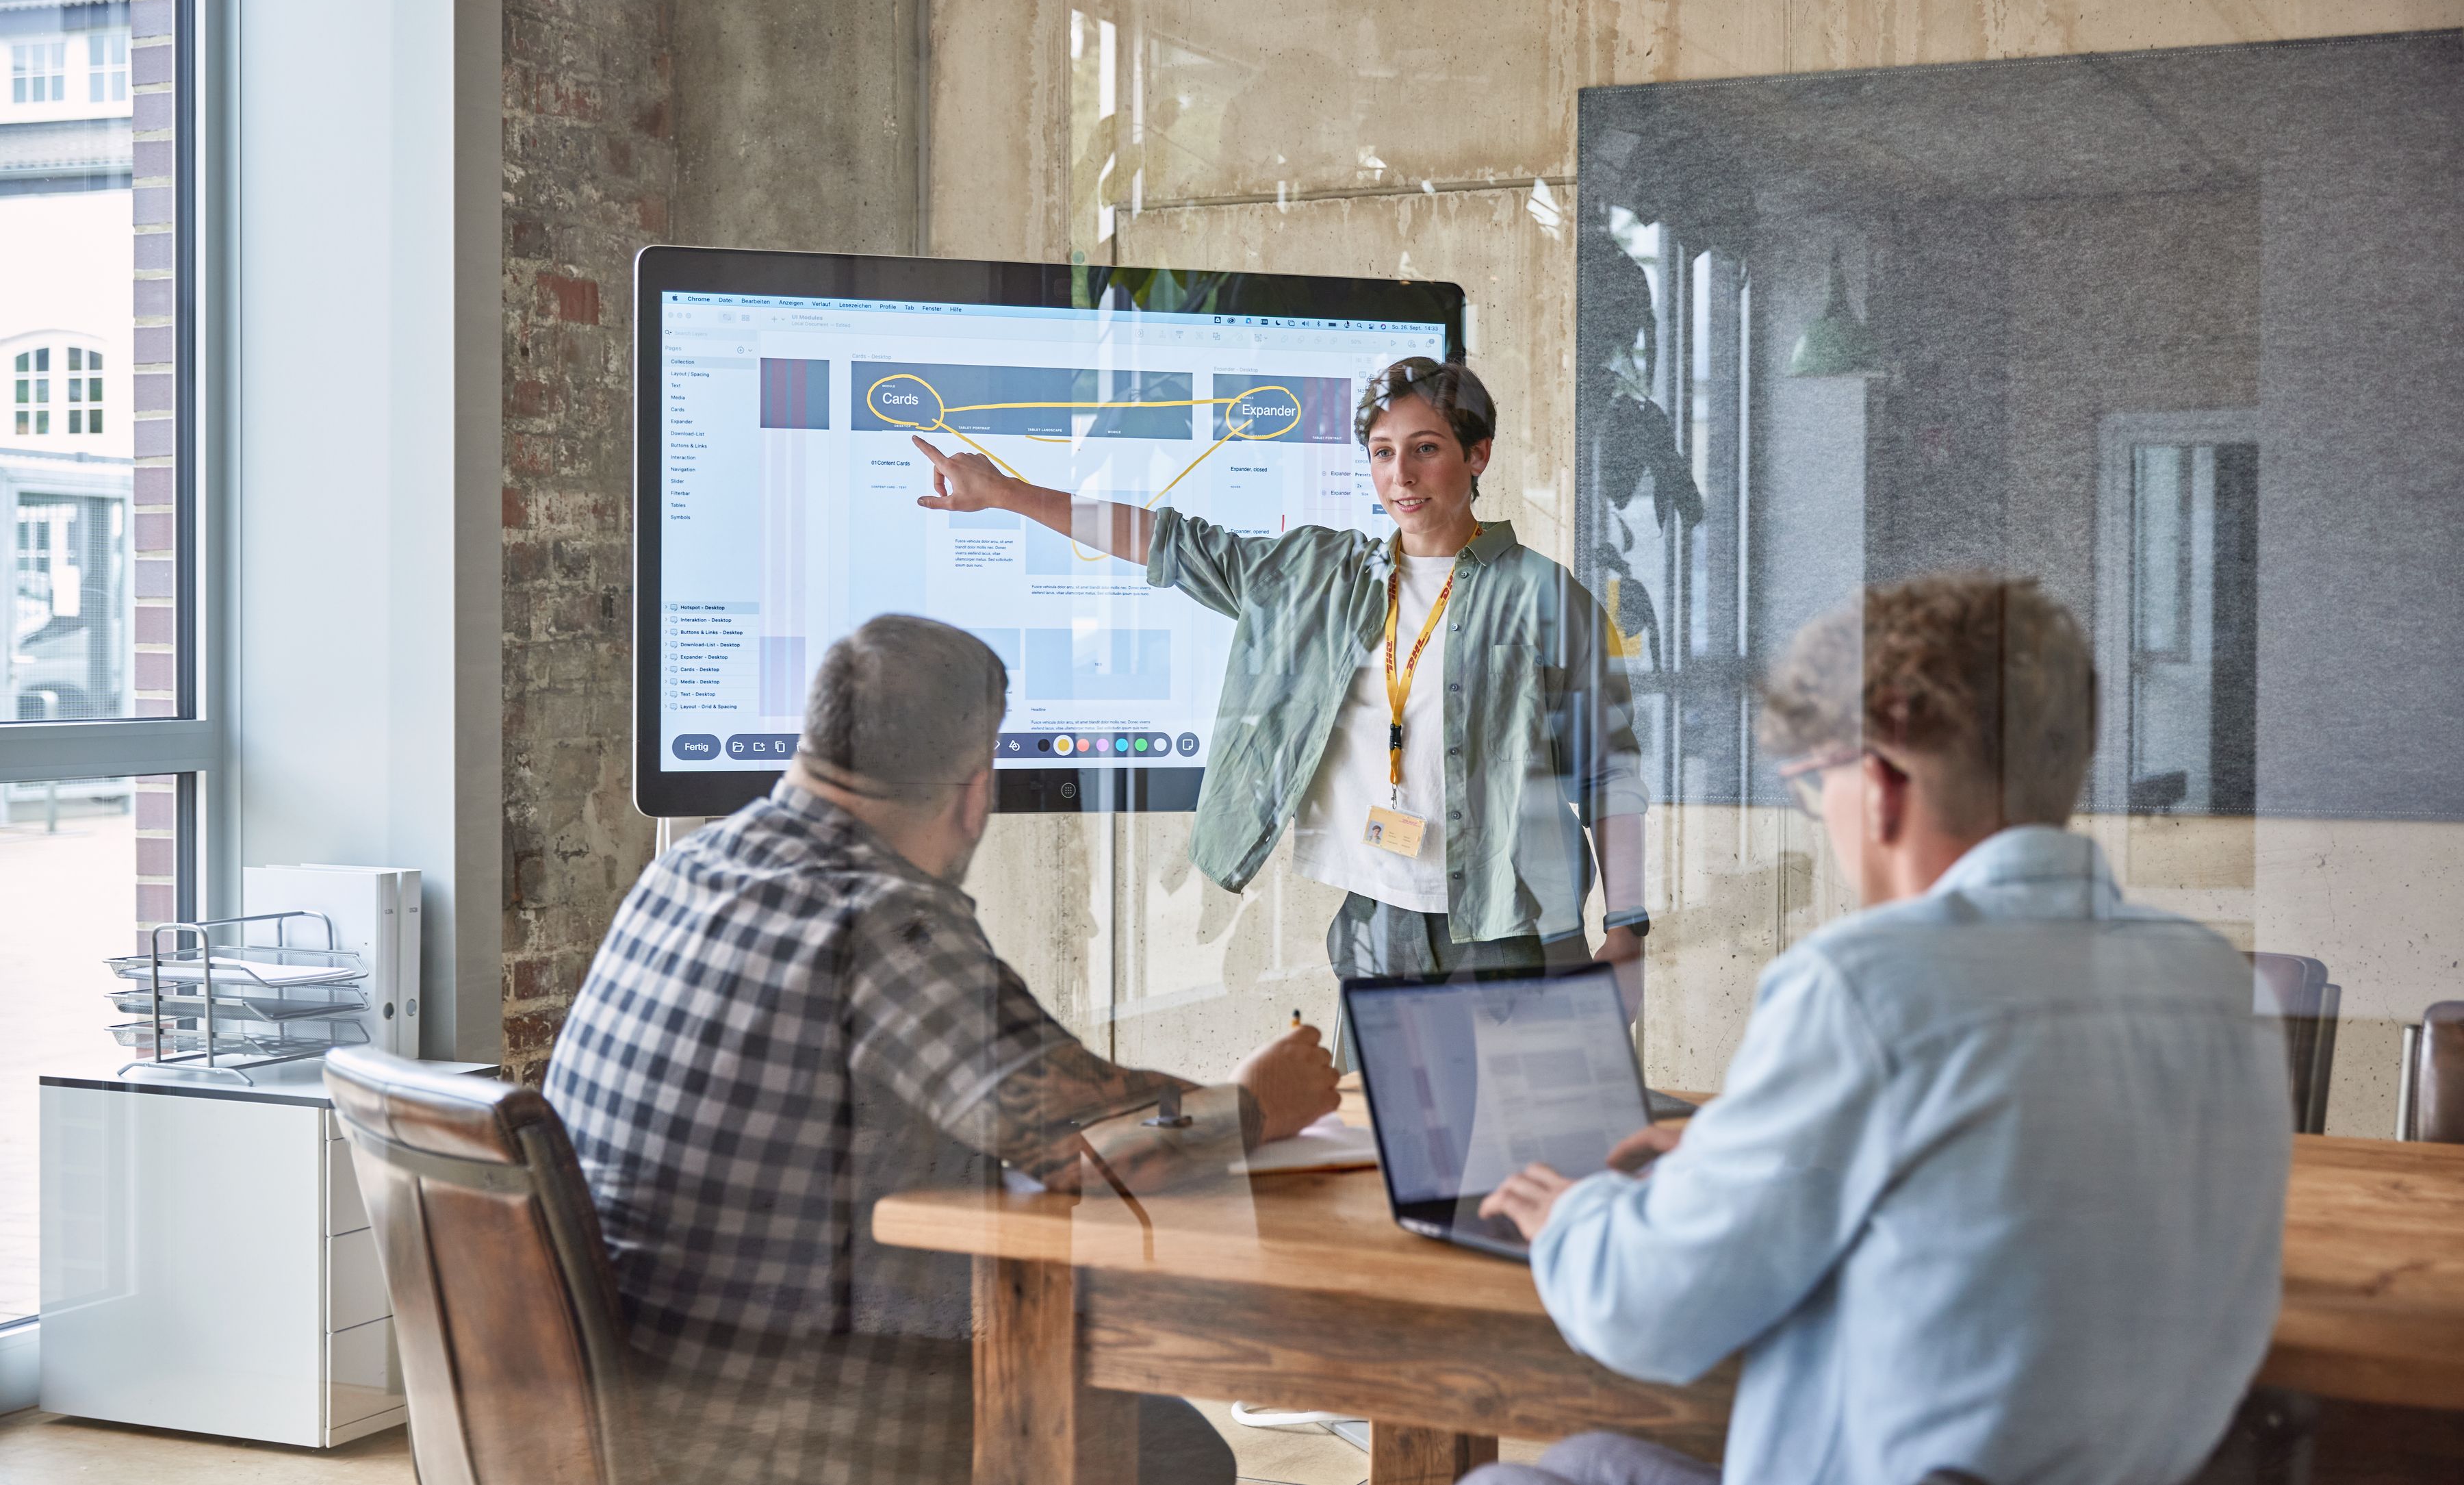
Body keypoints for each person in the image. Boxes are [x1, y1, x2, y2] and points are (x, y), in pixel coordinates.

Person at [1470, 574, 2292, 1485]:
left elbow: (1648, 1309)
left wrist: (1574, 1212)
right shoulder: (2218, 983)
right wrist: (1730, 1157)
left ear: (1882, 780)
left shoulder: (1864, 988)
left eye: (1812, 788)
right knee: (1588, 1462)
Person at [543, 615, 1339, 1485]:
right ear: (975, 788)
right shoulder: (880, 920)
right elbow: (1102, 1148)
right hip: (767, 1435)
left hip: (617, 1406)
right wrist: (1260, 1100)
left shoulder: (686, 872)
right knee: (1176, 1452)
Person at [912, 356, 1650, 1063]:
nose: (1402, 474)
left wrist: (1626, 925)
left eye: (1426, 449)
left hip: (1507, 925)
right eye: (1383, 451)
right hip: (1377, 916)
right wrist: (1007, 494)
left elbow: (1610, 777)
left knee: (1516, 1149)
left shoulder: (1548, 599)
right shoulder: (1320, 575)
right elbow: (1173, 545)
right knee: (1382, 1149)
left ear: (1478, 455)